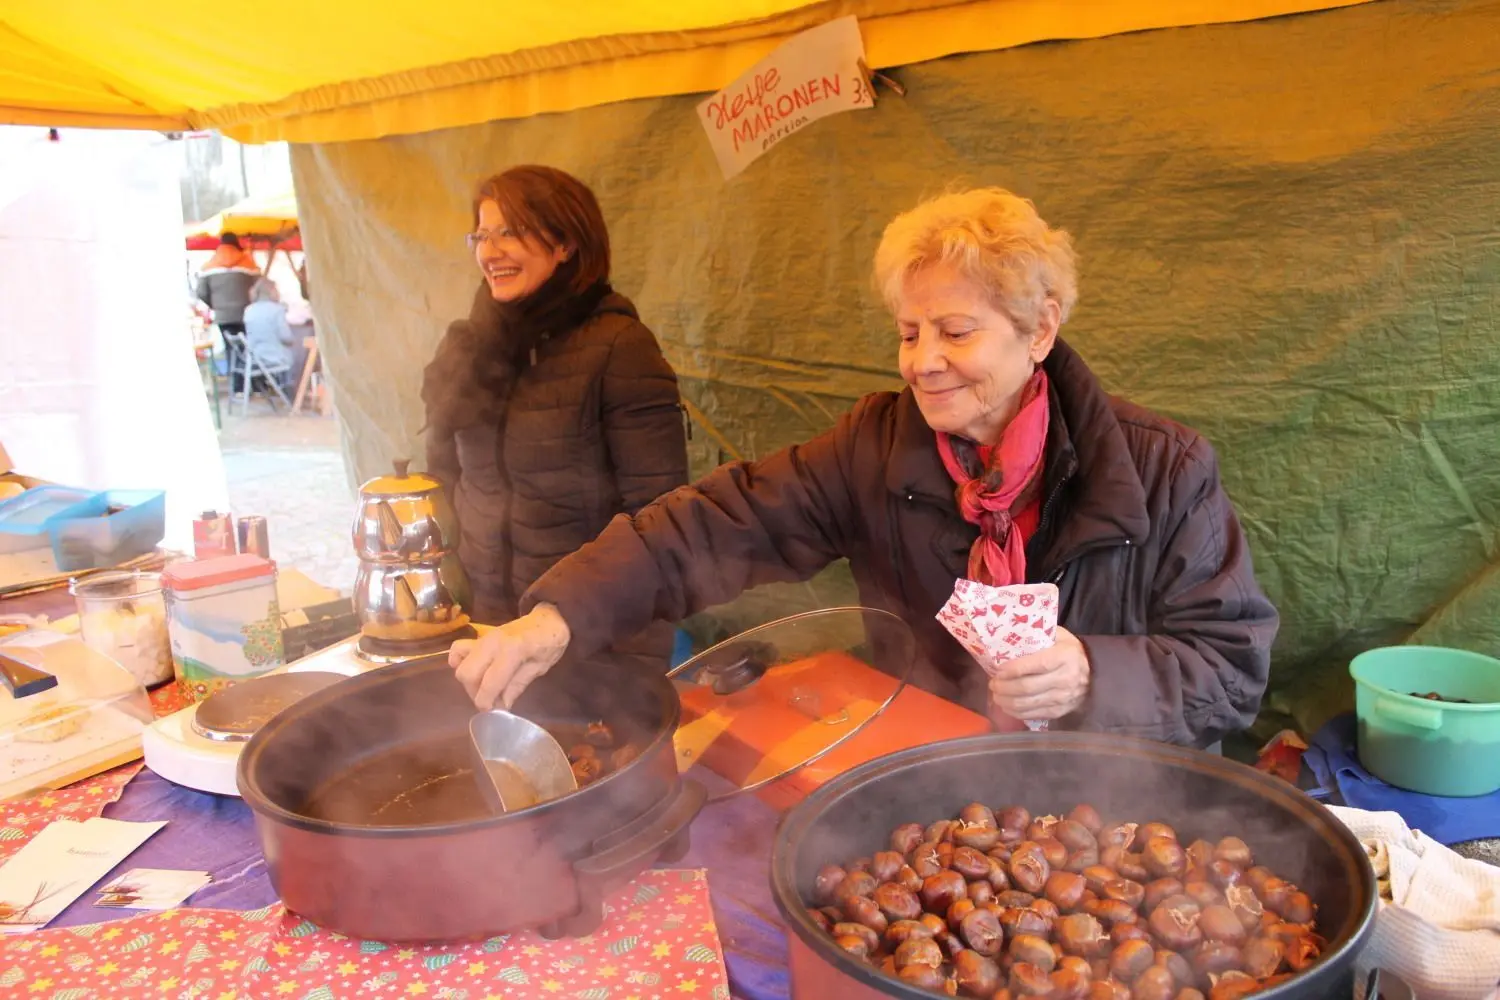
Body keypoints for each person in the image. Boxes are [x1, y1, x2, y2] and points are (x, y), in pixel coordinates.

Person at [449, 187, 1280, 750]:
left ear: (1038, 330)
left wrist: (1092, 673)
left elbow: (1232, 670)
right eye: (908, 333)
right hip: (929, 771)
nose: (923, 363)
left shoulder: (1163, 469)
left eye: (955, 331)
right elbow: (713, 522)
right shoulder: (876, 448)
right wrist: (557, 616)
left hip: (1116, 806)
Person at [423, 165, 689, 669]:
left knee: (581, 751)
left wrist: (626, 651)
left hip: (590, 634)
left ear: (566, 243)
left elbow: (659, 515)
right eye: (481, 235)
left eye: (510, 232)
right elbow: (444, 479)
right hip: (485, 622)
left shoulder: (618, 346)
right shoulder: (471, 349)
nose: (490, 250)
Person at [195, 233, 261, 390]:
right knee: (249, 348)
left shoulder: (209, 266)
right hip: (247, 314)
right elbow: (259, 285)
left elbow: (201, 292)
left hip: (223, 316)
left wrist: (215, 304)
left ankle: (237, 387)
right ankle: (254, 384)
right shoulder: (247, 262)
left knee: (231, 348)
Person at [242, 278, 296, 376]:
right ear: (271, 291)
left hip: (254, 358)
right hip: (276, 358)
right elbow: (286, 337)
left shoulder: (248, 310)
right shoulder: (277, 310)